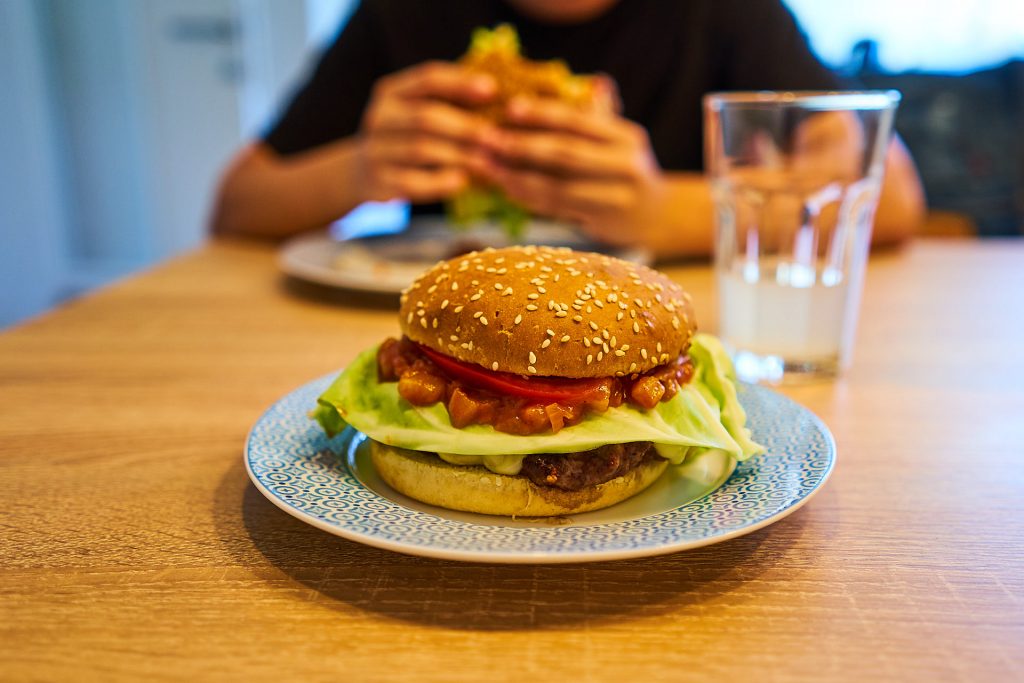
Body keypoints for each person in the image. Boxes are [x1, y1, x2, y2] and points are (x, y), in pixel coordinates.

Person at [210, 0, 925, 257]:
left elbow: (891, 194)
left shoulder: (724, 13)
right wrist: (360, 171)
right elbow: (237, 204)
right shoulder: (404, 12)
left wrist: (660, 210)